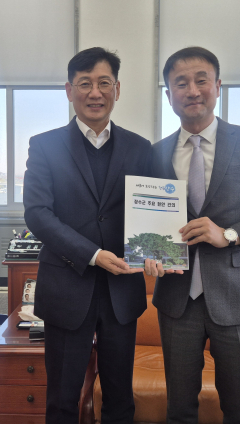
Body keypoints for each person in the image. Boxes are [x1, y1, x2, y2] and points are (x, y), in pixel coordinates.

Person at [145, 47, 240, 424]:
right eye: (181, 83)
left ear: (218, 86)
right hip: (177, 298)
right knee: (179, 410)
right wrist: (147, 251)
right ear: (169, 95)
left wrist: (229, 234)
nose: (192, 90)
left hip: (238, 296)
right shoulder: (154, 154)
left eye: (201, 80)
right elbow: (147, 219)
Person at [24, 47, 167, 424]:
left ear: (117, 89)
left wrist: (158, 249)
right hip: (68, 285)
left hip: (122, 290)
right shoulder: (44, 145)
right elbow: (37, 214)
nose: (95, 92)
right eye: (85, 83)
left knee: (120, 397)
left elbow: (153, 212)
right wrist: (92, 254)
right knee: (62, 399)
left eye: (104, 83)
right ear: (69, 90)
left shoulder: (140, 148)